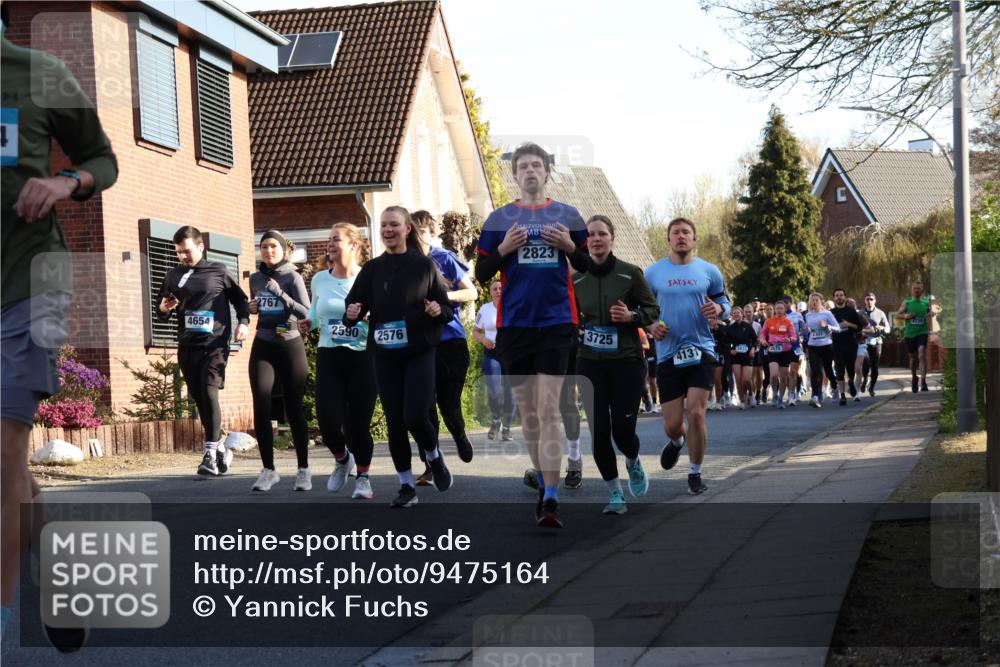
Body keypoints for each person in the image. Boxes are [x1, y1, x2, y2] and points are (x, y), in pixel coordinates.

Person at [1, 24, 118, 646]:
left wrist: (65, 182)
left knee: (4, 453)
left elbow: (102, 158)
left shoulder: (40, 72)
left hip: (31, 282)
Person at [474, 142, 590, 528]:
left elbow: (588, 264)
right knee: (529, 414)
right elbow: (482, 273)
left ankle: (552, 498)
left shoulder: (568, 214)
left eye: (536, 165)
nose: (529, 171)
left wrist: (569, 246)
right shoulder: (499, 219)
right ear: (515, 175)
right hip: (515, 326)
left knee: (548, 408)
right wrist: (504, 249)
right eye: (523, 166)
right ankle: (543, 482)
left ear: (547, 172)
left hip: (557, 322)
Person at [344, 206, 455, 508]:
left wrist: (437, 310)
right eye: (383, 225)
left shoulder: (424, 266)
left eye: (394, 224)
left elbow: (446, 308)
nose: (387, 230)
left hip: (419, 351)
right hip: (385, 355)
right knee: (395, 422)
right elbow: (353, 307)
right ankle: (406, 485)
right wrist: (351, 313)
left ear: (407, 229)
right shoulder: (372, 269)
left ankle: (433, 456)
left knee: (415, 416)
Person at [571, 215, 659, 514]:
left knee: (623, 432)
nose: (596, 239)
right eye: (591, 234)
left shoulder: (630, 273)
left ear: (612, 238)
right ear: (586, 241)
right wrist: (575, 329)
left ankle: (633, 461)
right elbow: (570, 315)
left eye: (602, 234)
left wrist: (632, 316)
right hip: (590, 362)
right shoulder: (577, 278)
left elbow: (652, 309)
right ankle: (615, 494)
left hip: (626, 362)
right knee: (599, 432)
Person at [646, 217, 731, 496]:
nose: (681, 236)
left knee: (696, 413)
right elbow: (643, 309)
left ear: (694, 239)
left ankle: (695, 473)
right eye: (676, 232)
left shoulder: (709, 271)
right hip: (668, 353)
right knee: (672, 425)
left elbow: (725, 302)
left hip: (701, 349)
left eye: (686, 232)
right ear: (668, 239)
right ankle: (677, 441)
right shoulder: (652, 273)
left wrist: (718, 310)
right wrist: (651, 326)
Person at [157, 226, 250, 475]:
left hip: (215, 343)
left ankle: (209, 454)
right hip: (188, 345)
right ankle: (219, 449)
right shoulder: (173, 275)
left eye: (187, 251)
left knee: (210, 393)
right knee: (199, 399)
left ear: (200, 247)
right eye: (178, 252)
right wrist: (165, 308)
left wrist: (243, 323)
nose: (183, 256)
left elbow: (240, 299)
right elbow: (161, 310)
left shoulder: (219, 271)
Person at [298, 222, 377, 500]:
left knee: (358, 425)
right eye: (329, 239)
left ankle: (363, 478)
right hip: (330, 356)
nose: (330, 244)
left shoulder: (367, 278)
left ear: (354, 245)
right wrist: (308, 322)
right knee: (328, 423)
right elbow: (315, 312)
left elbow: (383, 313)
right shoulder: (320, 279)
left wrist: (370, 316)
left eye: (336, 239)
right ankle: (343, 460)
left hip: (362, 357)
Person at [413, 211, 476, 484]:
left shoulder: (444, 258)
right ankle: (431, 463)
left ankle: (459, 434)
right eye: (412, 232)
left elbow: (472, 292)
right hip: (419, 343)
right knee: (423, 406)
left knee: (448, 406)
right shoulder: (404, 263)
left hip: (450, 341)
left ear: (432, 233)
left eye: (422, 231)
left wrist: (443, 296)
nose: (417, 237)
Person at [247, 230, 311, 491]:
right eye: (264, 246)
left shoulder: (292, 276)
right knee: (261, 406)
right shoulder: (255, 278)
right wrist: (251, 308)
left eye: (273, 246)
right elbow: (257, 308)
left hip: (289, 344)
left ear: (283, 250)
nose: (268, 251)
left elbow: (306, 312)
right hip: (263, 343)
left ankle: (303, 469)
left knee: (293, 409)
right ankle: (269, 470)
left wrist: (280, 294)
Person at [473, 279, 515, 441]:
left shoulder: (513, 306)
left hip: (511, 354)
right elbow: (475, 331)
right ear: (490, 292)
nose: (498, 291)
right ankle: (496, 420)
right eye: (495, 289)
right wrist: (484, 340)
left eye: (500, 288)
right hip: (492, 353)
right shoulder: (485, 309)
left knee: (511, 392)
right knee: (494, 390)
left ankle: (507, 428)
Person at [896, 280, 936, 393]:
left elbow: (929, 312)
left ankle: (923, 381)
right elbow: (898, 315)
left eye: (919, 289)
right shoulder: (907, 302)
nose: (916, 290)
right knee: (913, 358)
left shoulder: (925, 302)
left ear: (922, 291)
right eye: (914, 288)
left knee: (921, 353)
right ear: (912, 290)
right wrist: (907, 316)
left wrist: (931, 314)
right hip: (910, 334)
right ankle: (914, 377)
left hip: (922, 332)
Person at [758, 300, 798, 408]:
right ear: (775, 310)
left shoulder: (788, 322)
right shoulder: (768, 321)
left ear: (784, 310)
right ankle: (775, 394)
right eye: (777, 308)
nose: (779, 310)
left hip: (785, 351)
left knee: (784, 378)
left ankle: (780, 398)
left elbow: (794, 336)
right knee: (774, 375)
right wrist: (763, 341)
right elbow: (762, 334)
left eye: (781, 308)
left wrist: (790, 339)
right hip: (773, 351)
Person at [804, 293, 840, 408]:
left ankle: (835, 387)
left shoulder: (827, 314)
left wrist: (826, 326)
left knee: (828, 370)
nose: (814, 302)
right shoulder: (808, 315)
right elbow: (809, 330)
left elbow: (838, 329)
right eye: (812, 300)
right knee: (815, 371)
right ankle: (816, 396)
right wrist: (806, 330)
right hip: (813, 345)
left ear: (821, 301)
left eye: (816, 300)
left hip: (826, 345)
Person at [829, 288, 863, 406]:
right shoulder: (830, 313)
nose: (839, 297)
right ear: (834, 298)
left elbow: (859, 327)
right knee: (839, 370)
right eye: (837, 295)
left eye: (841, 295)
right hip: (836, 344)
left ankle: (851, 382)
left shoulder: (851, 311)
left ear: (845, 297)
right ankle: (842, 395)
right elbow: (826, 327)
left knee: (850, 368)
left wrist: (848, 324)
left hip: (850, 343)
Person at [860, 292, 890, 397]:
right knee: (865, 364)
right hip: (864, 341)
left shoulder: (880, 313)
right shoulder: (860, 313)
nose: (869, 301)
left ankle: (872, 388)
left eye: (871, 299)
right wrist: (863, 331)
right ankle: (865, 380)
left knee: (875, 366)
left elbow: (888, 328)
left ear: (875, 301)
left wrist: (882, 328)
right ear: (865, 301)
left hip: (876, 342)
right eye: (867, 299)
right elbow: (855, 327)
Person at [727, 306, 757, 409]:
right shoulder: (730, 328)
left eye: (738, 313)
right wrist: (731, 349)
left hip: (747, 355)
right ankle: (742, 400)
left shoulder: (747, 326)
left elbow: (754, 339)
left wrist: (753, 349)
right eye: (734, 313)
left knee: (746, 379)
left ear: (742, 314)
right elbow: (726, 342)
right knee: (739, 379)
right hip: (736, 356)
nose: (736, 314)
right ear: (732, 315)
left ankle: (751, 394)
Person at [848, 297, 872, 404]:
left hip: (860, 344)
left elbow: (871, 329)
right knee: (850, 370)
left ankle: (857, 392)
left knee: (857, 368)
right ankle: (851, 384)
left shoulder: (860, 317)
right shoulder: (841, 318)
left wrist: (862, 330)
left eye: (852, 307)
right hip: (847, 346)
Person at [709, 316, 730, 411]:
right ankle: (709, 401)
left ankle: (718, 401)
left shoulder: (722, 328)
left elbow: (726, 341)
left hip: (719, 355)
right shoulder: (704, 329)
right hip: (708, 356)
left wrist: (719, 329)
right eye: (709, 318)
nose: (710, 320)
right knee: (709, 380)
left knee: (717, 379)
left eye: (713, 318)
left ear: (716, 320)